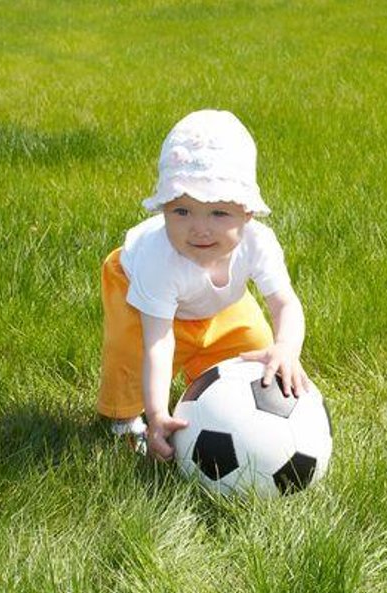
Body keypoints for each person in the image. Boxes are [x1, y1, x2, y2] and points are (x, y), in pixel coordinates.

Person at [97, 110, 310, 462]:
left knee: (257, 351)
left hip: (217, 298)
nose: (199, 229)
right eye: (181, 212)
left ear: (248, 214)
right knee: (129, 355)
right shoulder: (157, 259)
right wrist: (156, 415)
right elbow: (158, 342)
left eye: (218, 214)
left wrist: (286, 347)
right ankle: (124, 422)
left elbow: (285, 303)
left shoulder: (259, 243)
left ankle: (224, 399)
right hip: (138, 295)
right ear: (164, 208)